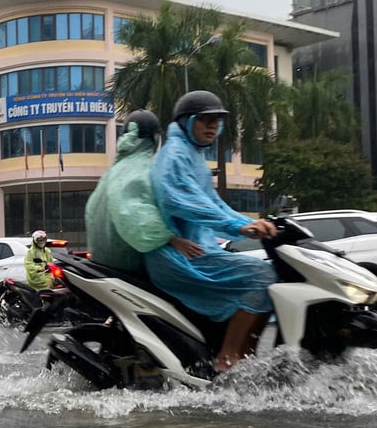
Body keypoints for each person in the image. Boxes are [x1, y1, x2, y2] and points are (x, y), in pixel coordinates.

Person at [144, 91, 278, 373]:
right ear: (187, 121)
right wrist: (238, 226)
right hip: (178, 257)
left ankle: (245, 356)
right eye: (204, 120)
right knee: (263, 276)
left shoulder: (192, 155)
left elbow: (214, 204)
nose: (212, 126)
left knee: (270, 277)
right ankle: (227, 358)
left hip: (198, 248)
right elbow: (185, 202)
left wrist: (250, 223)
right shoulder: (174, 156)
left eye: (216, 121)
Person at [86, 110, 203, 274]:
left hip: (104, 266)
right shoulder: (139, 170)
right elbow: (133, 212)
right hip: (128, 271)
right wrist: (173, 239)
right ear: (156, 139)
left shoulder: (113, 172)